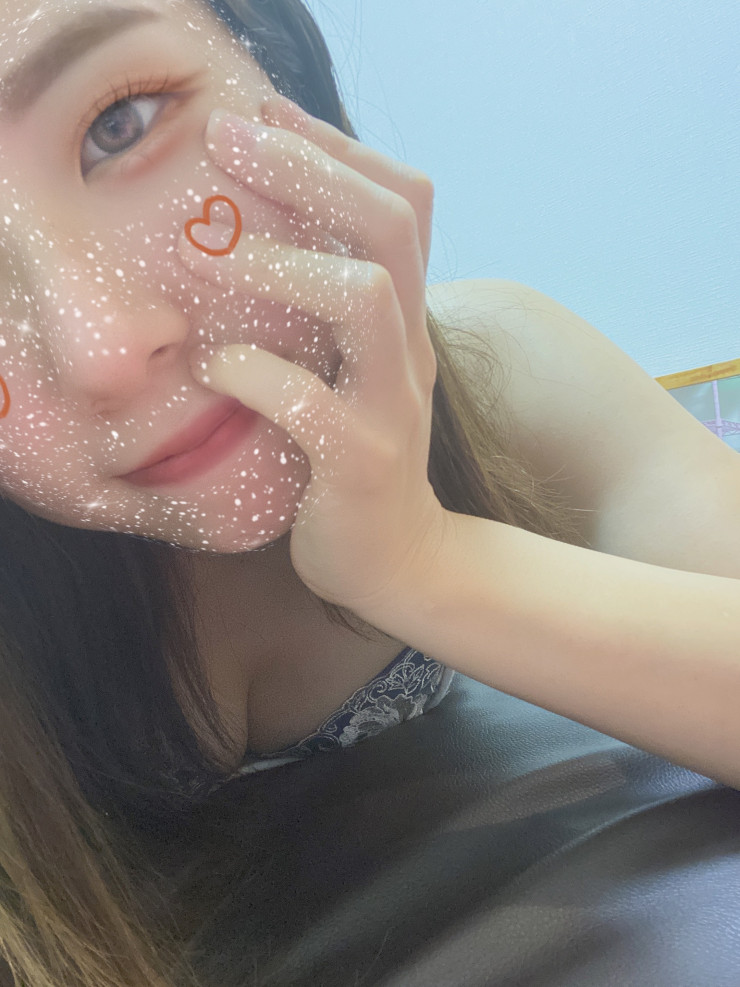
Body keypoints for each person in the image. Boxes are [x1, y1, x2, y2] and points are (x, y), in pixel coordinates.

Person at [0, 0, 739, 985]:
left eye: (118, 125)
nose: (103, 351)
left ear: (273, 63)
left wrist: (422, 562)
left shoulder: (505, 367)